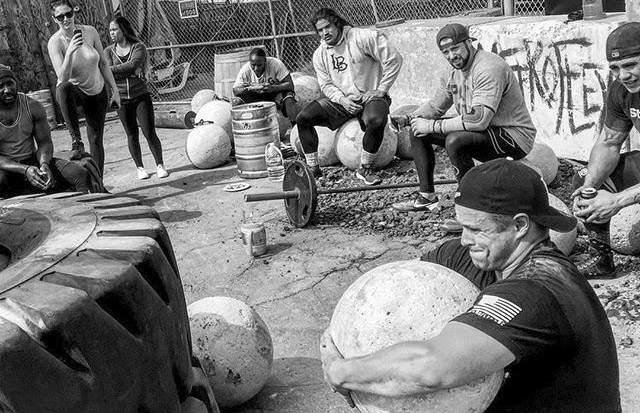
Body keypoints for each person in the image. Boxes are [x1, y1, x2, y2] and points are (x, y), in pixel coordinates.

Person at [321, 159, 621, 413]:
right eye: (463, 226)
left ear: (519, 226)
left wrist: (342, 371)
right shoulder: (470, 256)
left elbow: (433, 368)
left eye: (477, 229)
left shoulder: (538, 289)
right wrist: (339, 338)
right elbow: (389, 294)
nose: (465, 240)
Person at [390, 23, 536, 234]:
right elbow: (436, 107)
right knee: (418, 130)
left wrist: (433, 125)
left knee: (455, 141)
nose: (451, 56)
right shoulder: (452, 71)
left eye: (455, 48)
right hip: (483, 132)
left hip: (513, 136)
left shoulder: (488, 67)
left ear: (469, 43)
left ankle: (470, 210)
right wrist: (410, 118)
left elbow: (479, 119)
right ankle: (426, 196)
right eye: (446, 52)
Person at [297, 8, 403, 184]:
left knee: (376, 120)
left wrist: (381, 89)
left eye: (328, 27)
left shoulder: (362, 37)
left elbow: (394, 58)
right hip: (343, 101)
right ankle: (313, 170)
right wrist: (342, 100)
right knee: (303, 118)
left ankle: (365, 168)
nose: (324, 33)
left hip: (371, 97)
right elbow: (326, 85)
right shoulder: (319, 54)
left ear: (337, 23)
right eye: (320, 30)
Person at [571, 22, 640, 279]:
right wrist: (590, 187)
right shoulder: (621, 90)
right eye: (615, 68)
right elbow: (609, 142)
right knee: (584, 179)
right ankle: (601, 260)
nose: (623, 75)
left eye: (631, 65)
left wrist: (617, 201)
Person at [47, 0, 120, 177]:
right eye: (60, 17)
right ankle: (76, 141)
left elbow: (103, 63)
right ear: (54, 19)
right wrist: (70, 51)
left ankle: (99, 182)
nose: (66, 19)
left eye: (68, 14)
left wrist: (115, 90)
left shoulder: (90, 31)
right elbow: (62, 77)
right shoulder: (55, 42)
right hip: (75, 92)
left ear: (74, 12)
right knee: (63, 88)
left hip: (97, 90)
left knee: (96, 140)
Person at [0, 65, 93, 198]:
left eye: (10, 84)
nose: (7, 90)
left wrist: (44, 164)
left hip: (32, 162)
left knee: (80, 174)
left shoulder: (32, 106)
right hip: (6, 168)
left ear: (16, 83)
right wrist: (24, 170)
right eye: (1, 86)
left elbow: (45, 143)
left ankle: (91, 208)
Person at [104, 15, 169, 180]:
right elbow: (107, 71)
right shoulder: (108, 51)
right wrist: (128, 71)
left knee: (149, 131)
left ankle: (160, 165)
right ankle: (140, 168)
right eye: (110, 30)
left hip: (140, 95)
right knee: (131, 134)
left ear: (124, 30)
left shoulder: (138, 47)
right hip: (121, 98)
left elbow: (133, 64)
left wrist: (117, 70)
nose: (111, 33)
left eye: (115, 29)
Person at [232, 48, 298, 138]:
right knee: (236, 102)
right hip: (256, 96)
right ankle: (242, 132)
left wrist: (274, 88)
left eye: (259, 65)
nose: (256, 68)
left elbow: (290, 84)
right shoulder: (245, 70)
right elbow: (235, 90)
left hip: (275, 92)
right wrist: (249, 89)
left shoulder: (275, 64)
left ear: (265, 61)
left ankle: (295, 128)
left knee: (289, 97)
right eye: (253, 65)